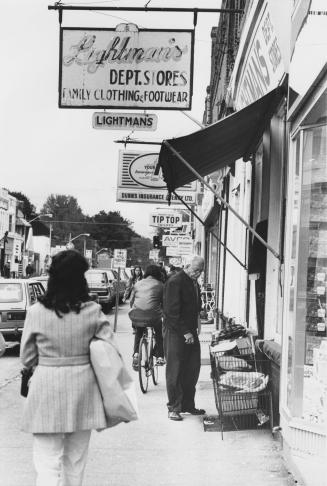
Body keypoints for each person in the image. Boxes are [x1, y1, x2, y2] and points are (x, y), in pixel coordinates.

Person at [20, 250, 110, 485]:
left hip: (46, 390)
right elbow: (108, 353)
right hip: (84, 391)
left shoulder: (36, 312)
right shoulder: (93, 311)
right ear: (81, 279)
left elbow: (27, 357)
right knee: (75, 463)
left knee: (47, 464)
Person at [163, 255, 205, 421]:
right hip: (176, 331)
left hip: (191, 330)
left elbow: (195, 305)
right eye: (196, 270)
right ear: (187, 266)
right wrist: (185, 332)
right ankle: (174, 407)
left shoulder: (194, 283)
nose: (198, 273)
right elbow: (171, 312)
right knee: (175, 369)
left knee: (192, 367)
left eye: (201, 271)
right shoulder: (175, 282)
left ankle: (188, 404)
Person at [129, 264, 165, 369]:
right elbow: (164, 303)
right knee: (159, 333)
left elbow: (131, 301)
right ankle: (159, 357)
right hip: (154, 316)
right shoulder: (161, 285)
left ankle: (136, 354)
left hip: (137, 314)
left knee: (139, 332)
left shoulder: (137, 284)